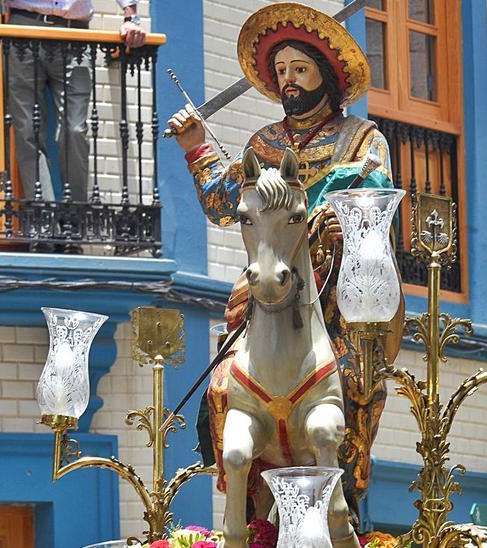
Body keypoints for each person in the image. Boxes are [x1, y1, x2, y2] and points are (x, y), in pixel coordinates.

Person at [166, 1, 405, 534]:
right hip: (270, 287)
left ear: (327, 74)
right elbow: (225, 203)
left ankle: (346, 492)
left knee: (354, 379)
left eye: (300, 69)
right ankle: (247, 502)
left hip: (339, 293)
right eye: (281, 71)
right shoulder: (263, 144)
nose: (289, 80)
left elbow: (373, 201)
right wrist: (195, 147)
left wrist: (350, 227)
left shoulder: (362, 139)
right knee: (225, 383)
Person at [5, 0, 146, 202]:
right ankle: (44, 217)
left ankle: (76, 214)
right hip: (23, 29)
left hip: (74, 35)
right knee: (27, 130)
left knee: (75, 129)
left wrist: (131, 18)